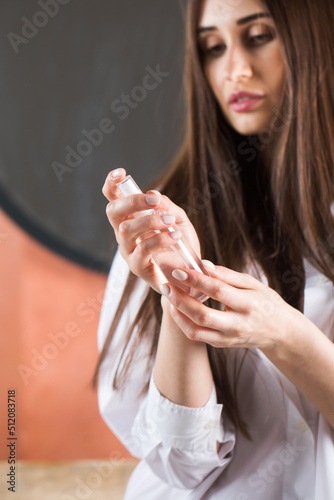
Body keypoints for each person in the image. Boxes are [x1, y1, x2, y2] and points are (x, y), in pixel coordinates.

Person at [93, 0, 334, 498]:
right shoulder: (164, 226)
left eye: (260, 35)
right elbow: (183, 467)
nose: (235, 70)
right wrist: (183, 297)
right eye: (213, 47)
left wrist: (287, 337)